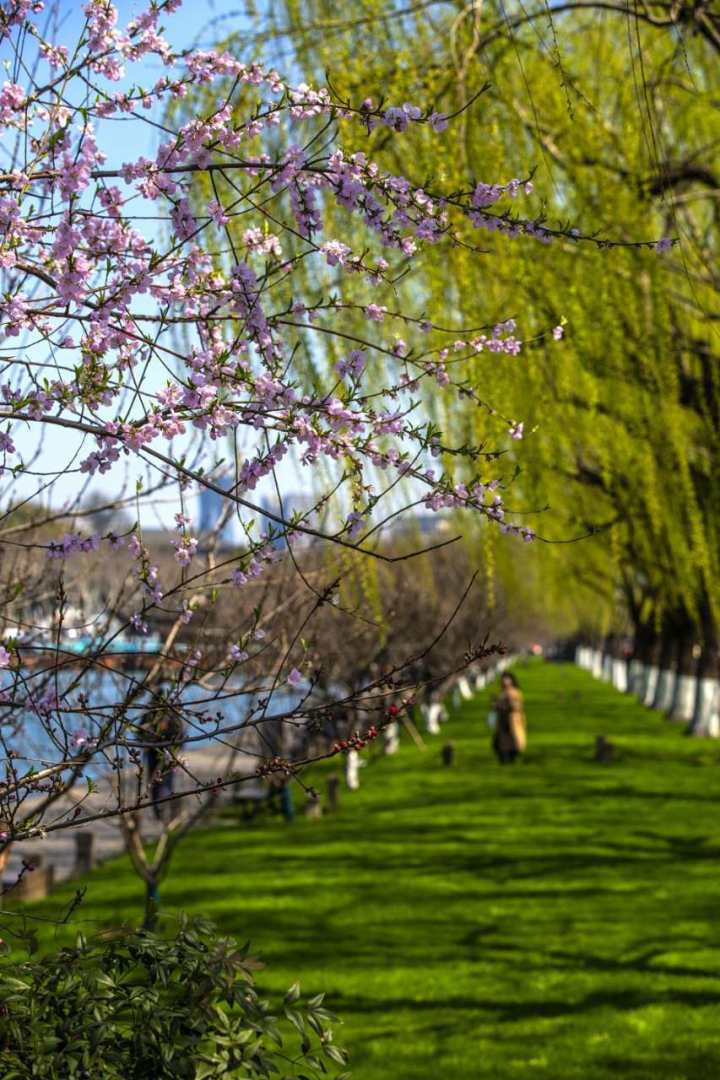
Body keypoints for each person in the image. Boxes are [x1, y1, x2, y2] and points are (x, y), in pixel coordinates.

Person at [142, 691, 184, 820]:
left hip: (166, 755)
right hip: (154, 754)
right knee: (156, 782)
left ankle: (163, 808)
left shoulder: (170, 715)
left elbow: (179, 734)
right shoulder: (150, 715)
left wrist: (173, 749)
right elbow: (141, 732)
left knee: (165, 782)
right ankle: (158, 810)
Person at [492, 672, 527, 764]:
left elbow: (517, 706)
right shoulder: (501, 692)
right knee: (502, 740)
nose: (505, 681)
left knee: (513, 739)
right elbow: (497, 705)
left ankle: (512, 758)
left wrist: (508, 703)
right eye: (503, 679)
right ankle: (504, 758)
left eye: (507, 679)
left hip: (512, 720)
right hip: (502, 720)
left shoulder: (514, 692)